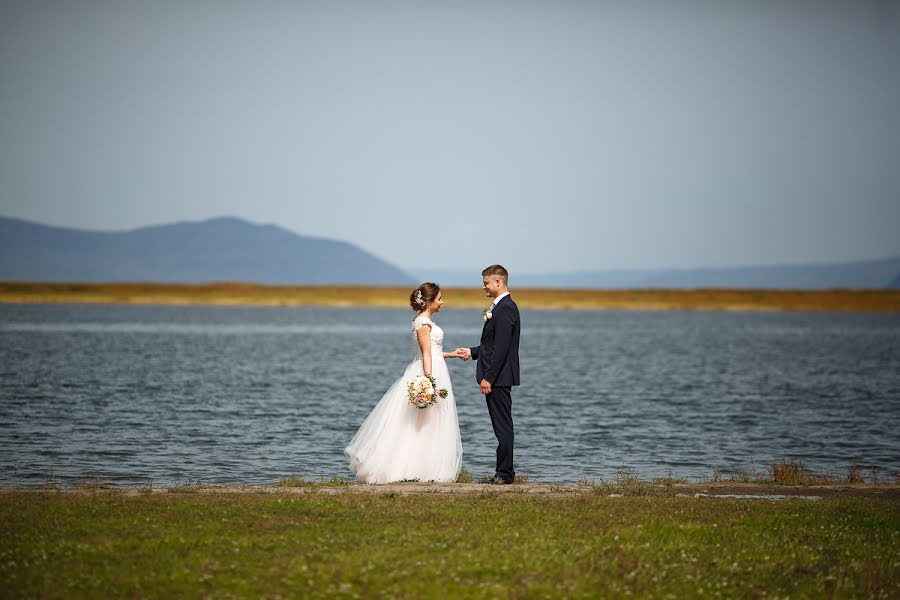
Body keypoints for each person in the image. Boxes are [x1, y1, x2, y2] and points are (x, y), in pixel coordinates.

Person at [345, 283, 467, 483]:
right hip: (430, 372)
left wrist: (451, 354)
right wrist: (429, 381)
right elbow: (426, 353)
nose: (442, 302)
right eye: (439, 299)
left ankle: (424, 466)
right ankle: (413, 467)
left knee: (428, 422)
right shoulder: (423, 323)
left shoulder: (424, 321)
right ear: (428, 301)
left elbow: (433, 352)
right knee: (422, 422)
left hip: (432, 367)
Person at [456, 265, 521, 485]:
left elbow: (501, 349)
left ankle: (504, 473)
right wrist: (472, 352)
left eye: (485, 282)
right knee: (500, 425)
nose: (483, 286)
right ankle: (504, 472)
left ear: (498, 282)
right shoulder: (500, 307)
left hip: (499, 378)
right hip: (498, 376)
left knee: (503, 426)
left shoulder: (505, 309)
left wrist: (488, 378)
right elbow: (491, 345)